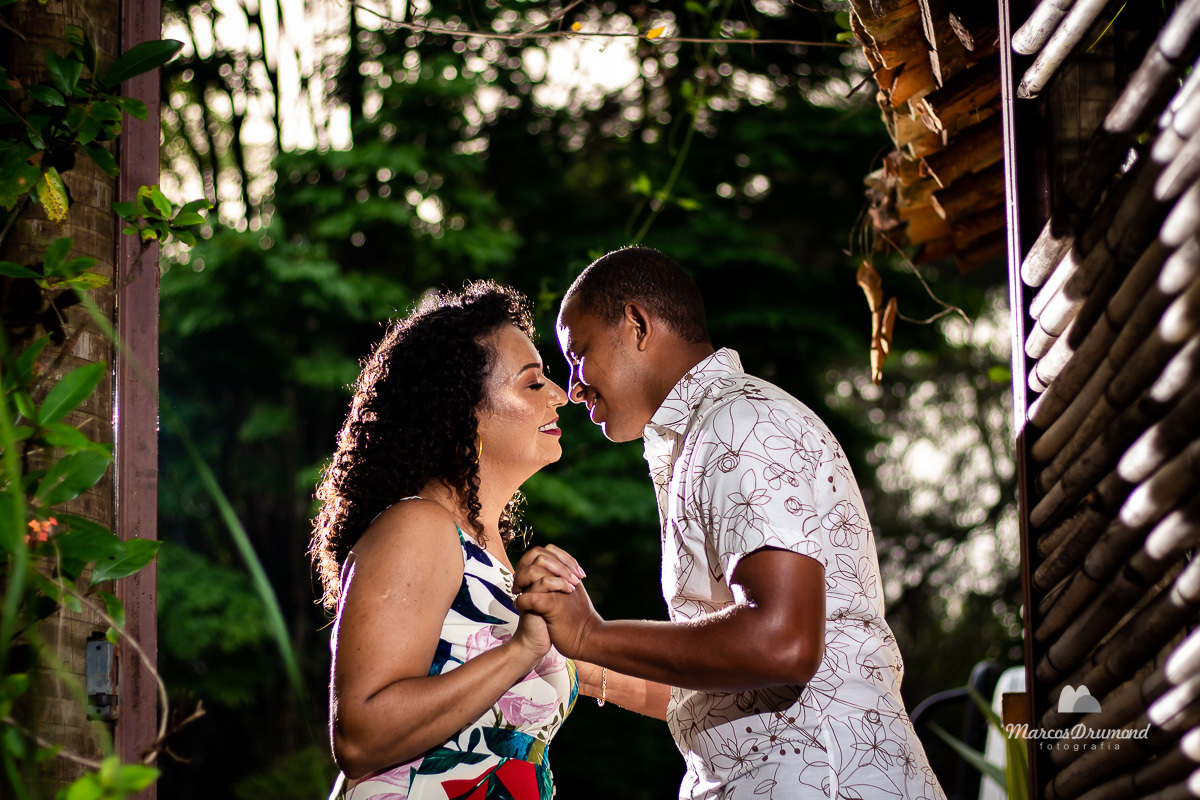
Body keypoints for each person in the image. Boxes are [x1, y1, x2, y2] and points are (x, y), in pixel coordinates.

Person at [515, 247, 947, 799]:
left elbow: (782, 643)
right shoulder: (706, 436)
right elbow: (711, 691)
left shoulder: (741, 423)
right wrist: (572, 657)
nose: (573, 388)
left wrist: (591, 633)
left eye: (579, 355)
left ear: (637, 324)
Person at [310, 280, 611, 800]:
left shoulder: (491, 552)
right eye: (533, 383)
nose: (560, 396)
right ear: (464, 410)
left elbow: (619, 676)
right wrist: (521, 651)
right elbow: (360, 737)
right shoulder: (419, 528)